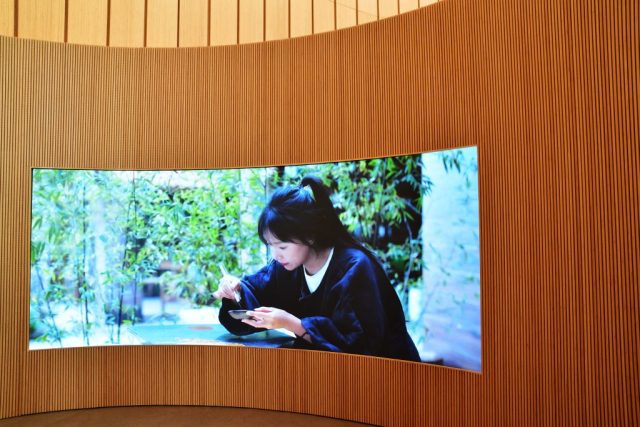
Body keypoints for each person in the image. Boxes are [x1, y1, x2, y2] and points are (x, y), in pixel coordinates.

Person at [214, 175, 421, 362]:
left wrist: (292, 323)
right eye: (271, 246)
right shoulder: (285, 268)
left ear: (310, 235)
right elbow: (254, 293)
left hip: (390, 377)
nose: (276, 255)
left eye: (282, 247)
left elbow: (358, 346)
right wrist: (235, 292)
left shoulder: (355, 268)